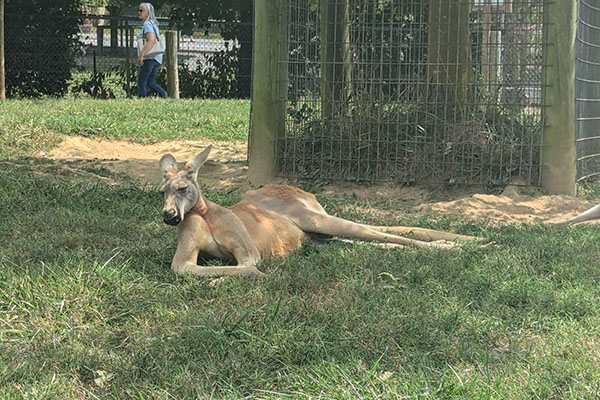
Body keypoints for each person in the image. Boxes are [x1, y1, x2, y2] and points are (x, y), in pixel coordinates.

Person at [136, 2, 167, 98]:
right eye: (139, 10)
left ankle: (142, 100)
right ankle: (164, 94)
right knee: (151, 82)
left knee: (142, 82)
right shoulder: (153, 24)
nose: (139, 12)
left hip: (149, 58)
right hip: (157, 58)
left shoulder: (147, 24)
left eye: (141, 10)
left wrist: (141, 55)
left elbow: (151, 40)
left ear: (148, 12)